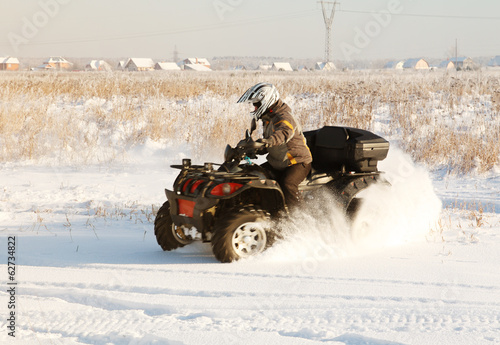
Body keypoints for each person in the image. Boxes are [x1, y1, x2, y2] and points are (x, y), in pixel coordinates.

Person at [237, 82, 312, 208]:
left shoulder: (283, 116)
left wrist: (269, 141)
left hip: (297, 162)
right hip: (279, 162)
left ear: (266, 100)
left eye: (256, 105)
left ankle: (300, 218)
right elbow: (269, 144)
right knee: (256, 176)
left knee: (288, 184)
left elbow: (283, 132)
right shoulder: (268, 118)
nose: (254, 108)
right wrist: (254, 148)